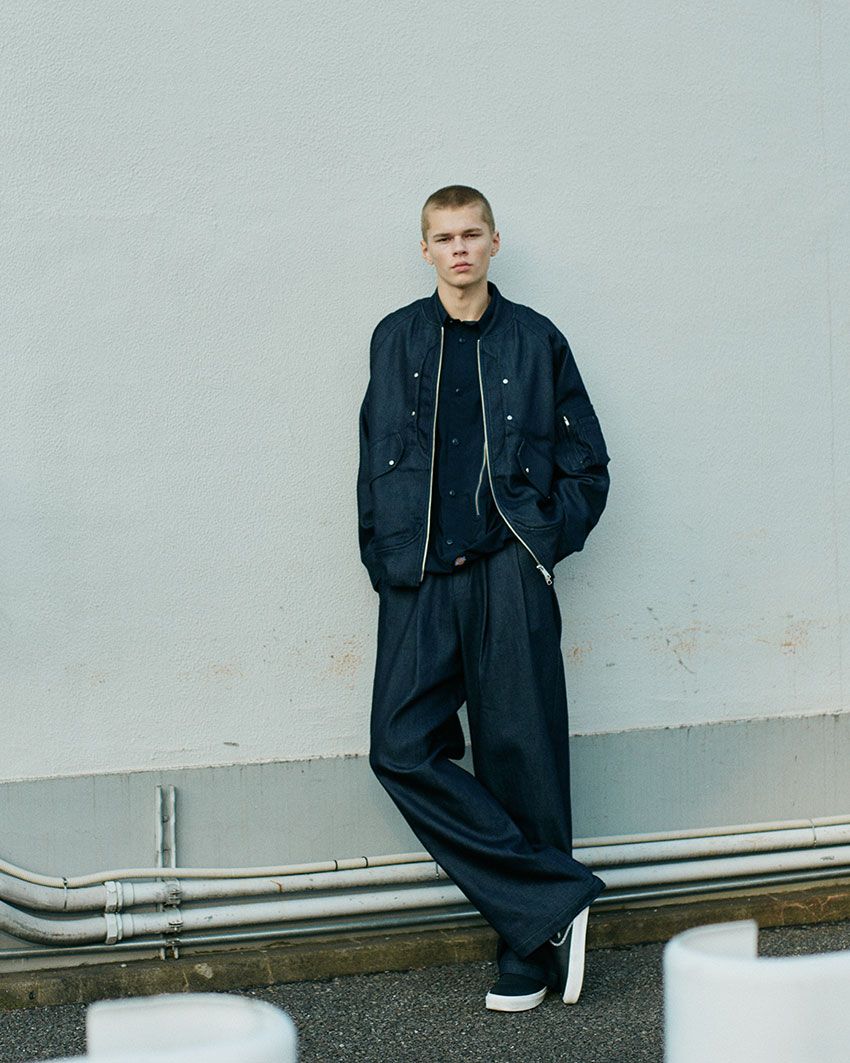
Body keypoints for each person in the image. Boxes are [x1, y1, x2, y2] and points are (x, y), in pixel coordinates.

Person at [356, 185, 610, 1012]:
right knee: (400, 747)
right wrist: (385, 557)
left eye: (471, 234)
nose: (459, 248)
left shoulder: (536, 340)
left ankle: (528, 949)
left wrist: (541, 543)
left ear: (495, 242)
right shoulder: (395, 338)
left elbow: (588, 463)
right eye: (444, 237)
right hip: (422, 576)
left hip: (507, 568)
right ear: (425, 249)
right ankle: (554, 899)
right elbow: (373, 455)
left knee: (520, 753)